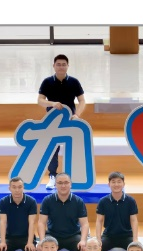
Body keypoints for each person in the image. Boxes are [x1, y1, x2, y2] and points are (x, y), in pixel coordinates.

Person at [37, 54, 86, 189]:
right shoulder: (47, 82)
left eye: (64, 64)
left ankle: (75, 176)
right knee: (53, 148)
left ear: (68, 66)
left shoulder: (74, 82)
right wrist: (52, 103)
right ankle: (52, 176)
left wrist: (77, 115)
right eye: (58, 64)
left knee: (74, 147)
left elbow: (82, 101)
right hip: (52, 122)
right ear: (54, 66)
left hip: (70, 121)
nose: (61, 67)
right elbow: (40, 100)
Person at [38, 173, 89, 251]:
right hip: (53, 235)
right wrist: (42, 240)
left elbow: (84, 224)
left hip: (73, 235)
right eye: (60, 183)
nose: (63, 185)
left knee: (83, 249)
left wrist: (83, 240)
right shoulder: (47, 200)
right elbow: (41, 222)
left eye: (66, 182)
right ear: (55, 185)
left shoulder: (78, 201)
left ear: (70, 184)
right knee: (41, 250)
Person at [0, 176, 38, 251]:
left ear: (23, 188)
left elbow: (32, 223)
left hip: (26, 236)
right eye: (14, 187)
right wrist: (2, 241)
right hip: (10, 237)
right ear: (9, 188)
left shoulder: (31, 201)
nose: (17, 190)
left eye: (20, 187)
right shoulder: (4, 201)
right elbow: (3, 222)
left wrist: (30, 242)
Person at [96, 171, 139, 251]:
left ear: (123, 184)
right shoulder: (103, 201)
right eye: (113, 182)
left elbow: (134, 220)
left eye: (119, 182)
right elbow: (99, 221)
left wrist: (135, 239)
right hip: (108, 236)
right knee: (95, 250)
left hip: (127, 236)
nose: (116, 184)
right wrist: (98, 239)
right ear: (109, 184)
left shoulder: (130, 201)